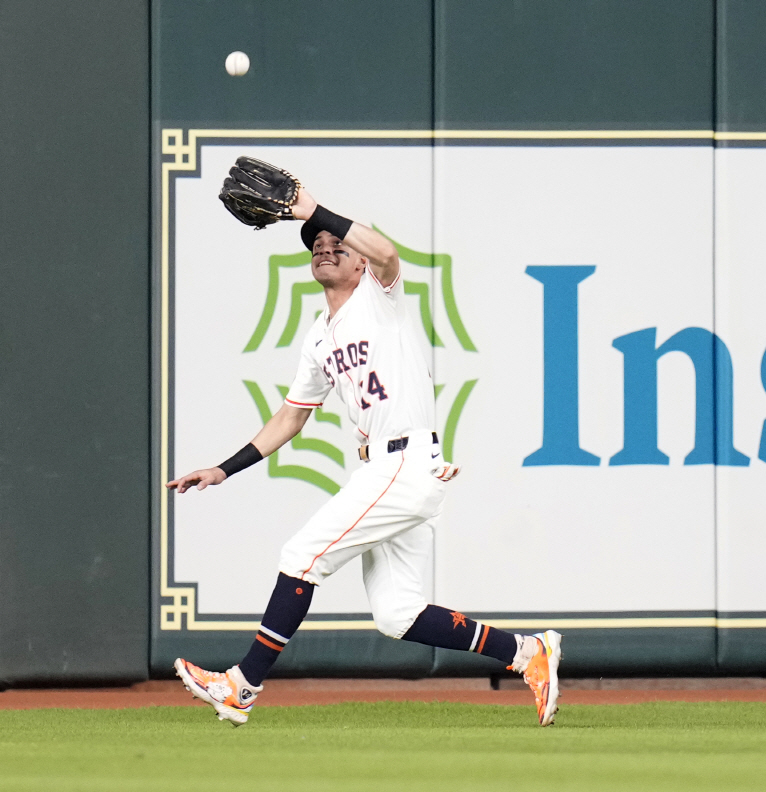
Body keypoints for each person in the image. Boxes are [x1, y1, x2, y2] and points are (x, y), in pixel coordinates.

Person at [168, 183, 561, 727]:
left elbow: (388, 253)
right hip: (388, 467)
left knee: (302, 555)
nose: (324, 247)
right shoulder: (318, 338)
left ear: (360, 264)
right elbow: (292, 416)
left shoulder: (382, 297)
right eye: (315, 244)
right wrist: (222, 468)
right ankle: (526, 652)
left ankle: (243, 684)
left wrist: (314, 211)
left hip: (403, 462)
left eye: (337, 243)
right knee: (399, 614)